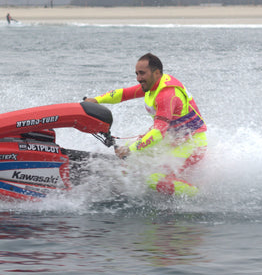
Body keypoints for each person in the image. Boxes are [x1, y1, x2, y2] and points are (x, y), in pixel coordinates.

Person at [84, 53, 207, 196]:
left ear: (156, 73)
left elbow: (158, 133)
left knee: (153, 177)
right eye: (136, 74)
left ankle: (197, 195)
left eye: (142, 73)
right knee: (132, 159)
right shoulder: (153, 84)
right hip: (173, 140)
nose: (138, 78)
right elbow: (123, 94)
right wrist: (96, 100)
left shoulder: (166, 94)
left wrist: (130, 149)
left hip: (192, 145)